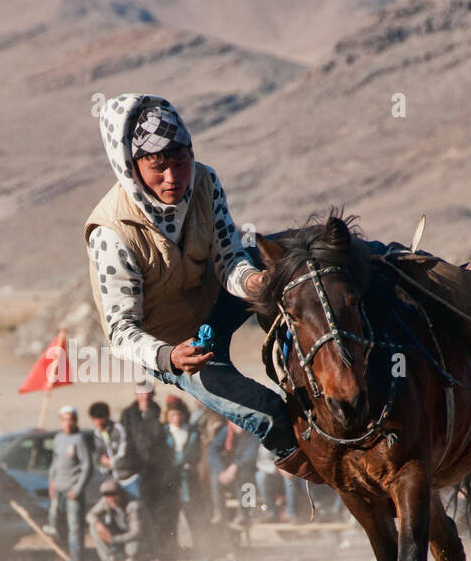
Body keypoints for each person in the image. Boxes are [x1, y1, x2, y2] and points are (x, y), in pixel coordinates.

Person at [83, 94, 318, 484]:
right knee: (266, 411)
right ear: (132, 165)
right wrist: (170, 356)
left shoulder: (205, 181)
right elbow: (121, 331)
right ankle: (330, 473)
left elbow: (229, 258)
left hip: (218, 303)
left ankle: (398, 270)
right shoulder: (111, 233)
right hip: (177, 347)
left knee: (300, 247)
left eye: (180, 163)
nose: (173, 179)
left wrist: (256, 282)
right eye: (158, 167)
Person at [121, 383, 177, 561]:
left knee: (160, 515)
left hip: (157, 471)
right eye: (140, 392)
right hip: (136, 470)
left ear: (153, 394)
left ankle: (163, 556)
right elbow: (126, 440)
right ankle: (142, 557)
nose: (144, 396)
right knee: (139, 516)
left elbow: (162, 442)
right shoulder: (128, 415)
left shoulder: (159, 413)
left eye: (147, 392)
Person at [48, 405, 93, 561]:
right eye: (64, 420)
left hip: (72, 490)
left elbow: (87, 466)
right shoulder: (58, 438)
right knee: (56, 523)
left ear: (75, 421)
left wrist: (77, 489)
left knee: (75, 525)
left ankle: (76, 558)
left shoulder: (79, 440)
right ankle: (62, 554)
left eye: (70, 420)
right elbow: (55, 463)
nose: (67, 423)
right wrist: (52, 482)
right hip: (58, 488)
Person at [164, 396, 206, 544]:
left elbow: (197, 454)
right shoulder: (164, 433)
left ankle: (200, 549)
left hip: (189, 479)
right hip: (171, 481)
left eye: (178, 414)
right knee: (171, 517)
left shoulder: (192, 432)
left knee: (193, 514)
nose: (176, 418)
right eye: (172, 415)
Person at [86, 479, 149, 561]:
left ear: (120, 493)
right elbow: (90, 515)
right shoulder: (106, 500)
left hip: (137, 539)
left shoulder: (134, 505)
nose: (110, 498)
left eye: (114, 494)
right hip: (120, 534)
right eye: (107, 495)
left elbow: (137, 533)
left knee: (133, 550)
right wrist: (98, 523)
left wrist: (113, 539)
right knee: (94, 528)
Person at [207, 419, 260, 524]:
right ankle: (219, 512)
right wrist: (221, 470)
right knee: (215, 477)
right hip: (228, 471)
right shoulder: (227, 431)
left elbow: (251, 455)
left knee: (246, 480)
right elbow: (212, 451)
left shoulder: (252, 433)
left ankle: (244, 514)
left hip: (245, 468)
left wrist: (235, 466)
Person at [88, 401, 139, 497]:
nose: (98, 422)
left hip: (129, 479)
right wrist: (105, 468)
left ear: (107, 416)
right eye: (95, 419)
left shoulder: (119, 430)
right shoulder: (97, 435)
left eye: (100, 418)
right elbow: (99, 458)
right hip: (113, 480)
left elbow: (124, 453)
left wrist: (111, 462)